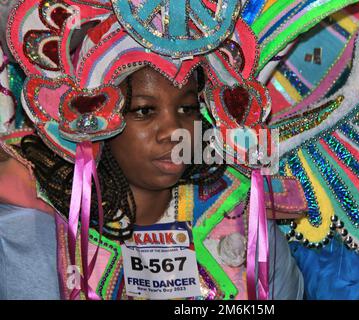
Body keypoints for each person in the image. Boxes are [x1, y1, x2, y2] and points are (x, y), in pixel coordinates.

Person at [0, 0, 304, 299]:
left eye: (186, 108)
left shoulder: (240, 218)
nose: (173, 131)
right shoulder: (38, 232)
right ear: (94, 119)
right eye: (144, 111)